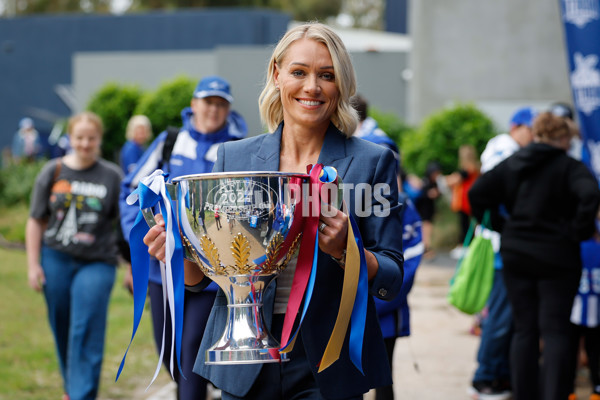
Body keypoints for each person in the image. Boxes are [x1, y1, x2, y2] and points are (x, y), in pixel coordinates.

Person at [143, 22, 404, 400]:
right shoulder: (234, 158)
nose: (312, 87)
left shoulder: (373, 163)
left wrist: (348, 252)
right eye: (299, 72)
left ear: (341, 84)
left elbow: (392, 277)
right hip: (244, 360)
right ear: (277, 74)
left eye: (326, 75)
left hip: (328, 366)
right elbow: (202, 278)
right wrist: (177, 250)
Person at [119, 75, 247, 400]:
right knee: (169, 354)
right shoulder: (170, 141)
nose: (213, 110)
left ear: (229, 109)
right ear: (193, 105)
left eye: (221, 103)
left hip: (210, 273)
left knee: (190, 352)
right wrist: (141, 233)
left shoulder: (236, 147)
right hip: (161, 269)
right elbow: (131, 191)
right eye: (208, 102)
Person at [468, 112, 600, 400]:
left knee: (524, 329)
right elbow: (590, 194)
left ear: (536, 135)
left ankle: (524, 394)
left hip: (517, 252)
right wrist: (578, 230)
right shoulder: (571, 167)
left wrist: (499, 226)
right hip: (559, 256)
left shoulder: (513, 163)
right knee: (555, 331)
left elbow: (477, 192)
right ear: (564, 138)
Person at [25, 111, 123, 400]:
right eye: (79, 137)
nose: (84, 143)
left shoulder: (111, 176)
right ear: (70, 137)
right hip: (56, 258)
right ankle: (72, 388)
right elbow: (35, 219)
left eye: (91, 138)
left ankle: (82, 394)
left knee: (86, 326)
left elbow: (125, 225)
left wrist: (131, 265)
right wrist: (33, 265)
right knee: (63, 324)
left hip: (97, 262)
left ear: (99, 139)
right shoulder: (52, 171)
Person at [351, 93, 423, 400]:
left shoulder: (403, 206)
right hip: (351, 308)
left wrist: (383, 297)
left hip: (386, 309)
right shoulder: (353, 198)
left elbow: (412, 257)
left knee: (384, 380)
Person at [467, 106, 537, 400]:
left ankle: (497, 375)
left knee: (504, 316)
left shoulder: (505, 148)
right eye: (532, 130)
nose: (535, 137)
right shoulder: (505, 149)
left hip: (503, 245)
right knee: (500, 316)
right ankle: (485, 377)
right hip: (500, 249)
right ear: (517, 127)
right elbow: (493, 195)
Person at [446, 144, 481, 259]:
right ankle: (469, 245)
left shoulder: (467, 169)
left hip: (464, 200)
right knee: (471, 224)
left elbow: (454, 180)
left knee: (464, 225)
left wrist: (446, 179)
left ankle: (464, 246)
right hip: (472, 198)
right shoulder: (476, 168)